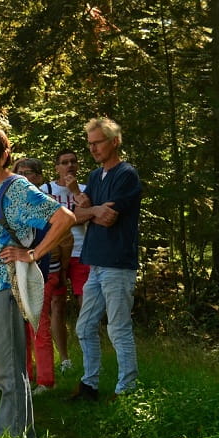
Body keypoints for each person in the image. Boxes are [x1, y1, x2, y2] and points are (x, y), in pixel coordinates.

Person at [0, 128, 74, 438]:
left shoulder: (16, 189)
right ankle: (22, 433)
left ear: (3, 157)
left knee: (7, 370)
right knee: (7, 366)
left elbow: (64, 218)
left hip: (1, 285)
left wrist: (32, 254)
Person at [70, 118, 142, 402]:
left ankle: (127, 392)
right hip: (95, 263)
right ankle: (90, 386)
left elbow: (109, 217)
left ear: (115, 142)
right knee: (84, 327)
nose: (93, 148)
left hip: (117, 263)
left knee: (118, 327)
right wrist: (92, 209)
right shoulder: (95, 175)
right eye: (90, 144)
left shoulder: (126, 175)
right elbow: (76, 215)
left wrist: (92, 209)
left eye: (97, 142)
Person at [15, 159, 73, 394]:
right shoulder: (14, 204)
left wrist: (61, 270)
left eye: (29, 174)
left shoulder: (46, 204)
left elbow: (65, 237)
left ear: (39, 178)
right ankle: (26, 377)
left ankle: (46, 380)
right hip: (18, 272)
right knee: (21, 326)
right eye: (19, 174)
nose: (24, 178)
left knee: (39, 325)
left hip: (45, 270)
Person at [41, 149, 90, 372]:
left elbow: (86, 215)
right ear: (56, 167)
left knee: (86, 304)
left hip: (82, 253)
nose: (69, 166)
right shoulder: (46, 190)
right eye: (64, 162)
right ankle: (65, 359)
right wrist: (73, 216)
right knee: (57, 305)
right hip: (56, 254)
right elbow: (45, 220)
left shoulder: (86, 190)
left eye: (73, 162)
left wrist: (74, 194)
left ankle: (89, 354)